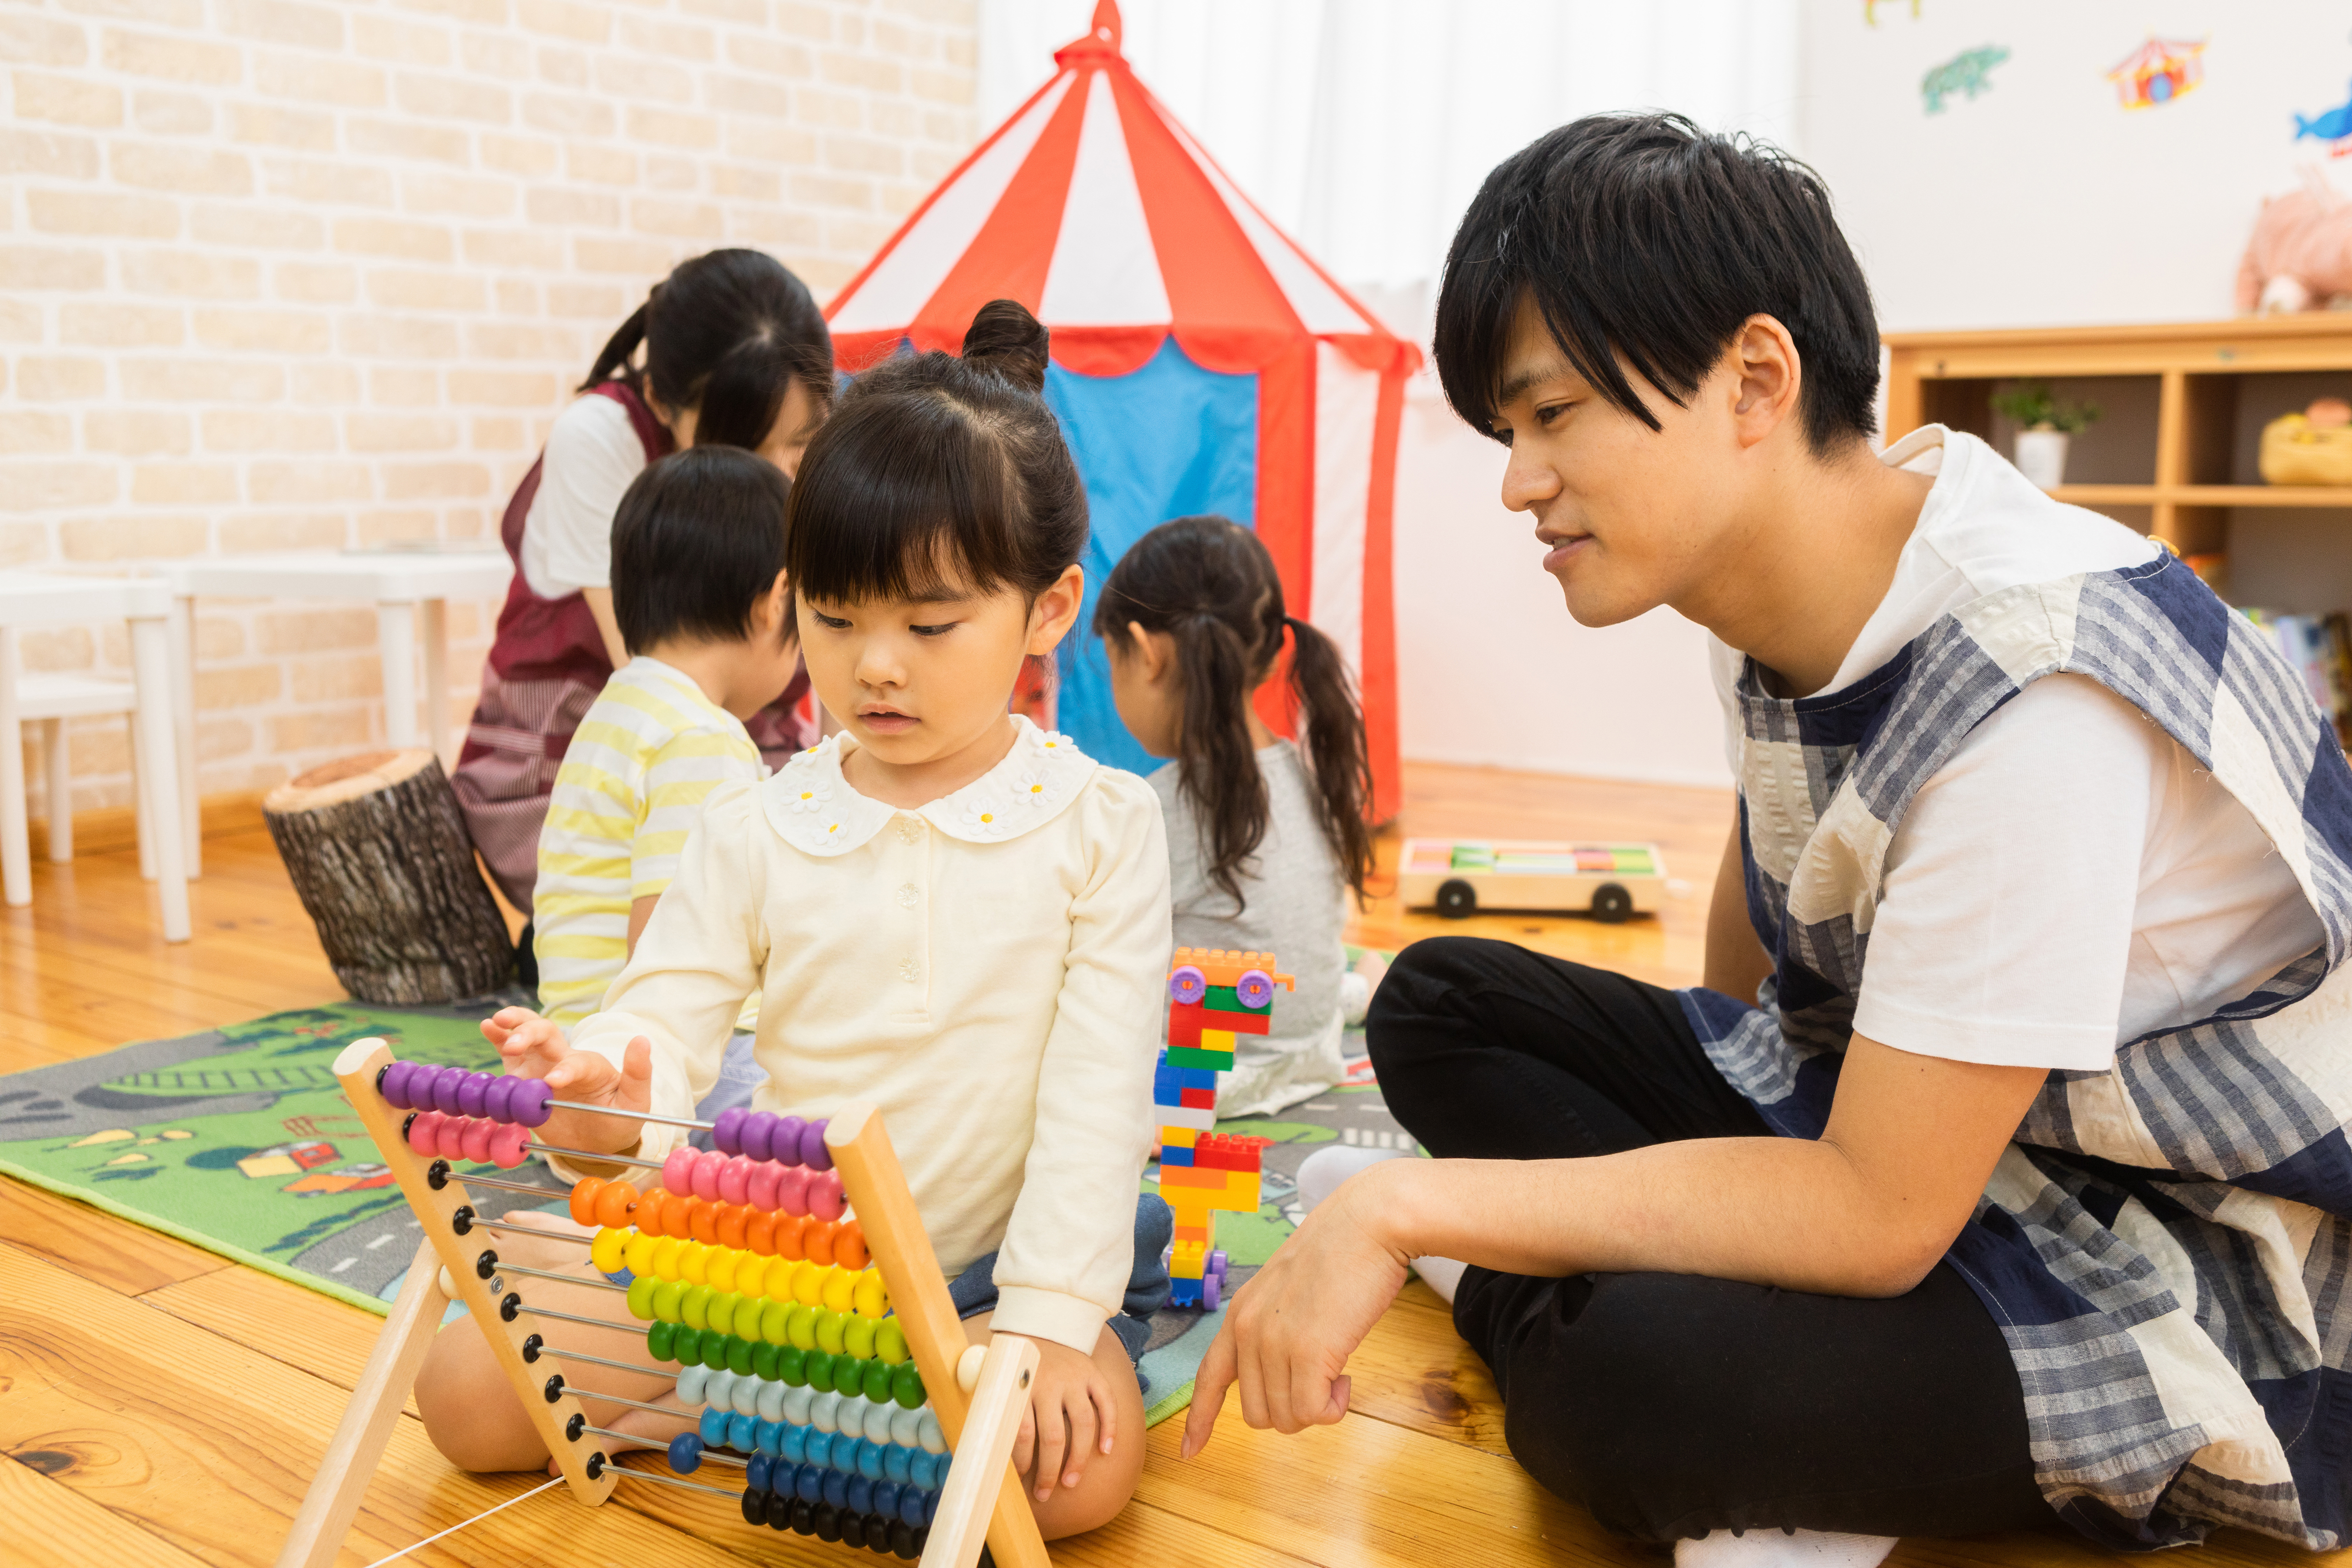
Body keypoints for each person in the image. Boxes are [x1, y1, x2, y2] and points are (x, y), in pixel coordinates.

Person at [1182, 112, 2352, 1567]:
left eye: (1551, 415)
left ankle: (1622, 1355)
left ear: (1752, 379)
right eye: (1505, 431)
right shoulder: (1784, 571)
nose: (1516, 481)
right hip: (1925, 1126)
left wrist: (1404, 1205)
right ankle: (1750, 1400)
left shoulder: (2032, 687)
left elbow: (1877, 1214)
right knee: (1439, 1003)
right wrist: (1713, 1179)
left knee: (1632, 1382)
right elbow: (1760, 944)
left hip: (2179, 1245)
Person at [416, 300, 1175, 1542]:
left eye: (929, 625)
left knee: (1071, 1477)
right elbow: (666, 1013)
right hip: (778, 1274)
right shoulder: (756, 821)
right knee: (464, 1394)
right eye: (834, 616)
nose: (876, 665)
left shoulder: (1101, 825)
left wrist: (1047, 1318)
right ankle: (772, 1400)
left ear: (1047, 612)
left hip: (989, 1280)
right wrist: (608, 1089)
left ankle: (777, 1412)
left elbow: (1099, 1101)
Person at [453, 248, 834, 951]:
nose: (778, 476)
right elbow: (657, 682)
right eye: (744, 449)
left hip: (740, 736)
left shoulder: (818, 453)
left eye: (800, 444)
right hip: (581, 769)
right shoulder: (599, 436)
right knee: (737, 903)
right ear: (662, 402)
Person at [1097, 515, 1385, 1116]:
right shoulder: (1310, 772)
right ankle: (1356, 989)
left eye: (1112, 663)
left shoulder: (1153, 807)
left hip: (1200, 1083)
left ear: (1147, 654)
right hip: (1315, 1050)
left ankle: (1351, 988)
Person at [530, 446, 797, 1041]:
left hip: (582, 1034)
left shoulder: (619, 710)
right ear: (776, 602)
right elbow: (667, 945)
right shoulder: (700, 737)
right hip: (662, 1051)